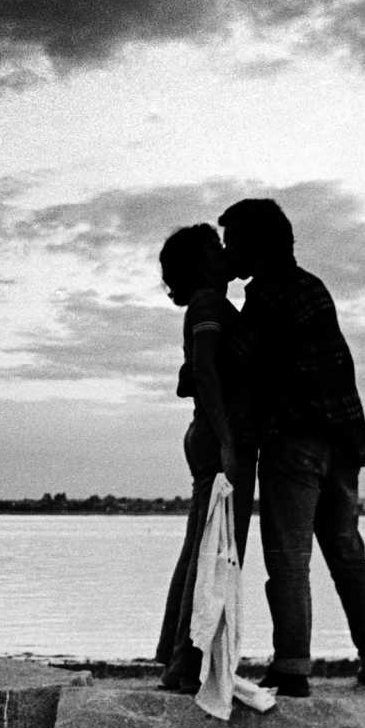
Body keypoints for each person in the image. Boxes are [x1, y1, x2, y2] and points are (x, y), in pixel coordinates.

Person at [218, 197, 365, 696]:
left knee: (288, 557)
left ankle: (292, 666)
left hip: (294, 442)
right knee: (346, 551)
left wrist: (213, 308)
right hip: (342, 441)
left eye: (233, 244)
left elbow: (240, 358)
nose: (229, 253)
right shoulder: (312, 288)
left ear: (255, 247)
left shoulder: (269, 296)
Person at [153, 225, 255, 693]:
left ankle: (181, 659)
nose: (224, 253)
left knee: (203, 545)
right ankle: (185, 663)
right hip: (218, 440)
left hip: (211, 436)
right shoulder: (210, 304)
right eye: (216, 248)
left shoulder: (208, 307)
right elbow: (205, 372)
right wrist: (230, 440)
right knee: (213, 549)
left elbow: (193, 373)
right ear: (200, 263)